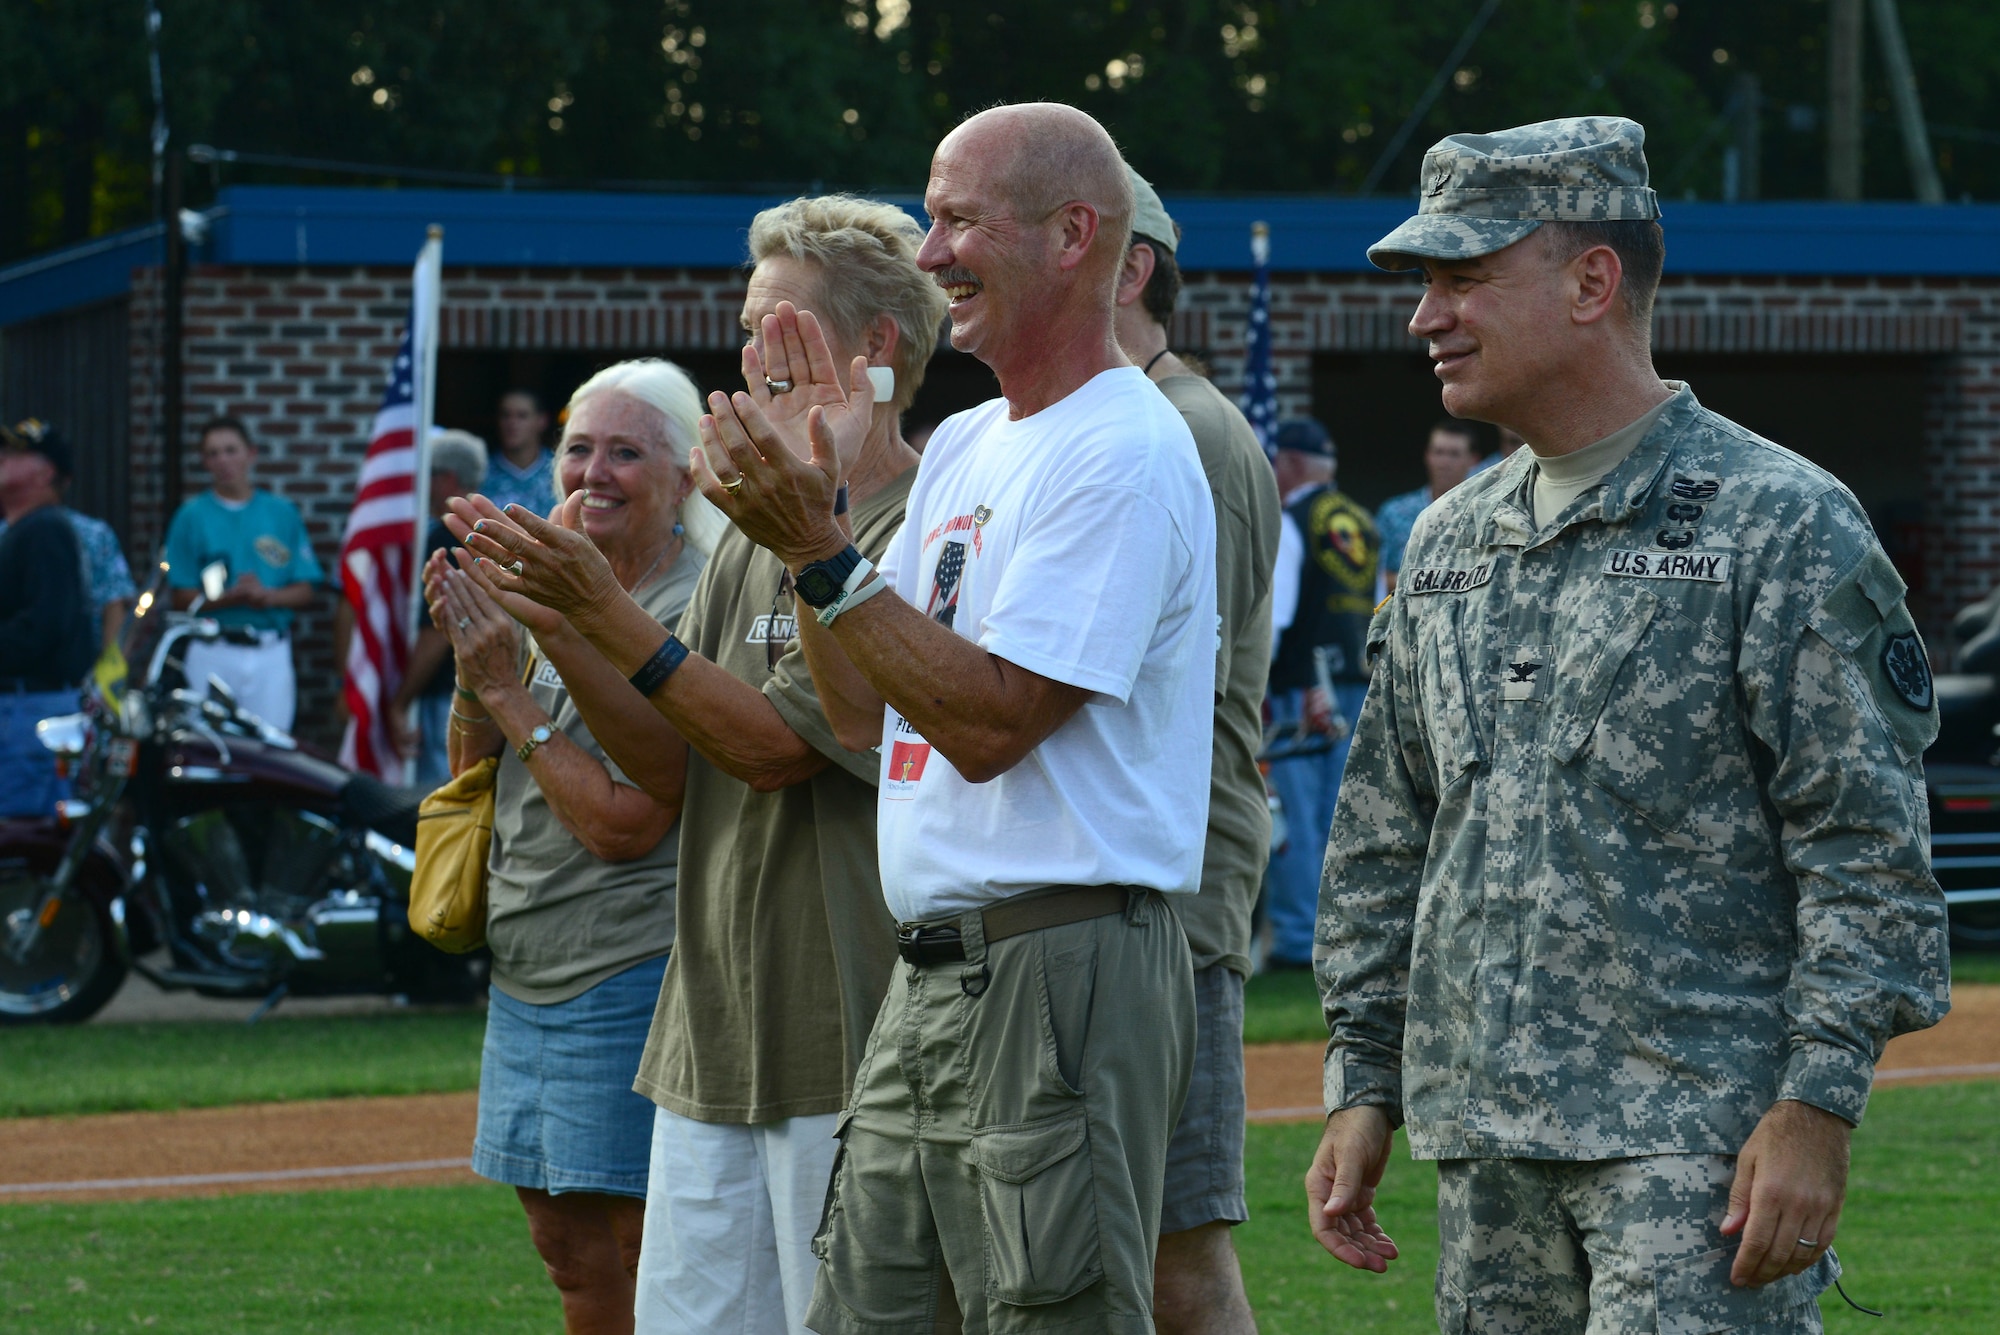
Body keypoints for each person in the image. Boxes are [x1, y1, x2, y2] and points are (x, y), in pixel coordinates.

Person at [1305, 116, 1949, 1334]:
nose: (1423, 317)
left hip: (1696, 1152)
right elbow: (1387, 832)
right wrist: (1363, 1081)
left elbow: (1863, 849)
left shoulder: (1778, 522)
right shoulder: (1445, 541)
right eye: (1424, 284)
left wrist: (1814, 1106)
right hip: (1488, 1144)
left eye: (1462, 279)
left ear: (1589, 280)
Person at [680, 102, 1216, 1335]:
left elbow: (991, 723)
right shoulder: (971, 441)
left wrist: (817, 551)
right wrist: (818, 508)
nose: (929, 255)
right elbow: (866, 709)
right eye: (931, 218)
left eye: (960, 219)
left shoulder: (1123, 450)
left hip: (1058, 968)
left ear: (1072, 235)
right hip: (931, 976)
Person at [456, 195, 943, 1335]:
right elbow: (675, 757)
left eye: (776, 330)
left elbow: (775, 750)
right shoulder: (744, 537)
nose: (744, 362)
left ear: (871, 350)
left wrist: (588, 611)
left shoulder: (918, 524)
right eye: (744, 327)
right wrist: (560, 626)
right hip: (710, 1029)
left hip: (844, 1028)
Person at [430, 360, 709, 1335]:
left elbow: (625, 824)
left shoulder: (688, 607)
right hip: (525, 963)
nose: (595, 472)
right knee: (565, 1254)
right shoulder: (541, 586)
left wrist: (510, 685)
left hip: (628, 963)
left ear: (684, 477)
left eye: (626, 452)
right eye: (579, 449)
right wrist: (478, 656)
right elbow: (472, 768)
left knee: (641, 1249)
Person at [1112, 164, 1277, 1335]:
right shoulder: (1122, 423)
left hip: (1169, 898)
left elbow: (1157, 692)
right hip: (1120, 888)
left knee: (1178, 1255)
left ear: (1126, 269)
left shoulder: (1189, 431)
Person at [1263, 417, 1379, 971]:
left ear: (1288, 464)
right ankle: (1344, 937)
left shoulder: (1292, 521)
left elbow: (1280, 616)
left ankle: (1295, 940)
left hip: (1302, 686)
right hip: (1357, 682)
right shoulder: (1361, 518)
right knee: (1346, 819)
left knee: (1296, 816)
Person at [163, 417, 323, 731]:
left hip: (270, 651)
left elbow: (307, 588)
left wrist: (268, 596)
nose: (223, 460)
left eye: (230, 450)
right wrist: (226, 599)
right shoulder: (190, 517)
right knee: (208, 751)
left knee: (270, 749)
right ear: (204, 461)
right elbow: (180, 595)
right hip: (213, 648)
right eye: (213, 453)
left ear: (251, 453)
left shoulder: (281, 513)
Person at [0, 422, 94, 817]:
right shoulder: (25, 530)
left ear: (45, 473)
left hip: (30, 712)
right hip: (25, 705)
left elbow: (43, 628)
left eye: (15, 454)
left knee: (25, 838)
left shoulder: (43, 531)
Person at [387, 428, 488, 786]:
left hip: (448, 694)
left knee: (441, 803)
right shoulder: (487, 529)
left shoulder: (447, 535)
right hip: (483, 687)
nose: (421, 485)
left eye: (426, 475)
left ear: (446, 478)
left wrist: (399, 703)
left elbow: (438, 631)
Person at [0, 418, 136, 653]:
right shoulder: (10, 531)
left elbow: (115, 606)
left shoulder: (66, 531)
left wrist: (108, 679)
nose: (2, 457)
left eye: (15, 453)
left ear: (46, 474)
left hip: (43, 685)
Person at [1374, 419, 1477, 591]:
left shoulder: (1484, 514)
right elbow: (1374, 577)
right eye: (1438, 452)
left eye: (1454, 454)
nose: (1444, 462)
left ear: (1473, 460)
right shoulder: (1394, 512)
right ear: (1427, 455)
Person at [485, 388, 557, 517]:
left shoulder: (558, 470)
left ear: (542, 421)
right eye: (506, 415)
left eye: (522, 416)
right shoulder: (482, 473)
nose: (512, 423)